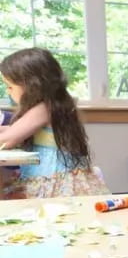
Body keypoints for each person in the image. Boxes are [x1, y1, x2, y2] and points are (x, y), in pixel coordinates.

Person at [0, 48, 107, 198]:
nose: (8, 91)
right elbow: (12, 130)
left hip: (54, 181)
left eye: (10, 86)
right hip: (47, 178)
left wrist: (6, 133)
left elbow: (8, 139)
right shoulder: (52, 106)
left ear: (31, 85)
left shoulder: (45, 108)